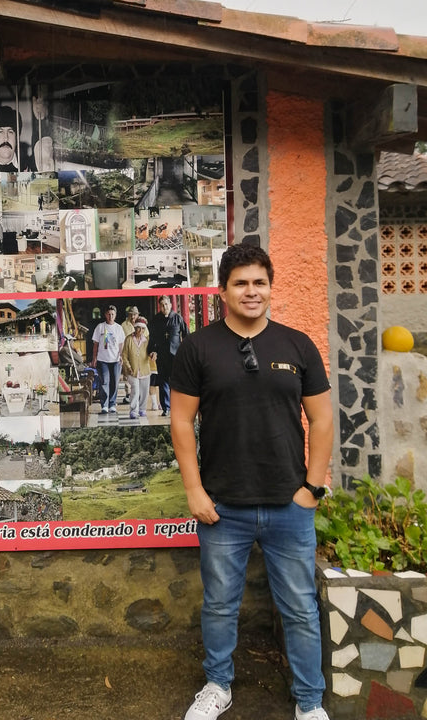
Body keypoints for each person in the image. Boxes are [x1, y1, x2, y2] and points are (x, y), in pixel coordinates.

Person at [170, 243, 334, 720]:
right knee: (220, 605)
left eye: (259, 282)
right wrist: (195, 491)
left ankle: (309, 702)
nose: (250, 291)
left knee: (301, 609)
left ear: (270, 287)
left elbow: (321, 420)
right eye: (240, 282)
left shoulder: (297, 345)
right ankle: (218, 686)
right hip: (223, 507)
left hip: (289, 504)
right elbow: (182, 423)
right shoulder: (199, 347)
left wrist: (313, 489)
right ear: (223, 290)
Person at [148, 295, 187, 417]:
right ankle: (166, 408)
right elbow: (152, 338)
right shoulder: (156, 320)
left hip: (176, 355)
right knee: (163, 381)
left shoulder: (177, 318)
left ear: (170, 305)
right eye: (162, 305)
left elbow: (186, 335)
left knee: (175, 382)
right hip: (161, 355)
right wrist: (152, 351)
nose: (164, 307)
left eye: (166, 304)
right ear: (159, 307)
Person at [91, 304, 125, 414]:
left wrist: (121, 356)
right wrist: (94, 358)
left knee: (114, 382)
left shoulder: (119, 328)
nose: (110, 316)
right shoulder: (100, 327)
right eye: (109, 314)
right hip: (102, 359)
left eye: (112, 314)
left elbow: (121, 344)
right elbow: (95, 344)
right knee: (104, 381)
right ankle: (104, 405)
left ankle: (112, 404)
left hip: (115, 360)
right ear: (105, 315)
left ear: (115, 315)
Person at [121, 316, 150, 419]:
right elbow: (124, 355)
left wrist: (153, 354)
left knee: (144, 391)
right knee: (135, 390)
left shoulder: (146, 340)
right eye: (138, 328)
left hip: (145, 369)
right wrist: (128, 367)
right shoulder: (129, 339)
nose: (140, 331)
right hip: (132, 370)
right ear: (135, 328)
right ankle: (134, 410)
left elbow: (150, 352)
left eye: (143, 329)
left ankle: (142, 409)